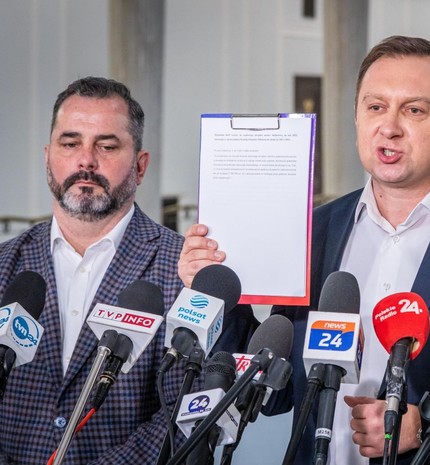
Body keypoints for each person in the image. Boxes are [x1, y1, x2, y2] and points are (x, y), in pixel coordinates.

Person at [180, 35, 430, 464]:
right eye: (375, 107)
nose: (389, 127)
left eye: (414, 110)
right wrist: (218, 296)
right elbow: (274, 393)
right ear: (356, 117)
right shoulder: (315, 232)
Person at [0, 76, 255, 464]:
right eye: (70, 144)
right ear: (48, 156)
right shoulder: (7, 264)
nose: (86, 160)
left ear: (140, 166)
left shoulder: (186, 270)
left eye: (106, 146)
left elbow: (188, 407)